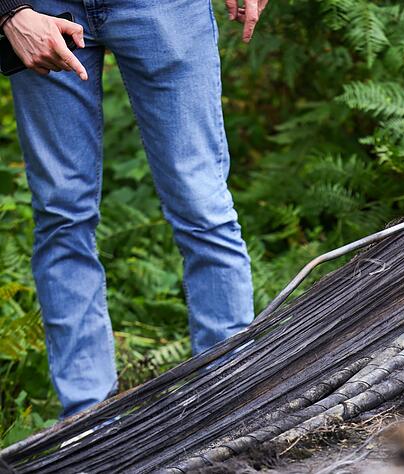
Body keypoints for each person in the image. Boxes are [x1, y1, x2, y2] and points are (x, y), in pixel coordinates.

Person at [1, 0, 267, 418]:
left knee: (201, 202)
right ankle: (86, 429)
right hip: (40, 10)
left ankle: (231, 405)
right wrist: (9, 11)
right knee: (61, 217)